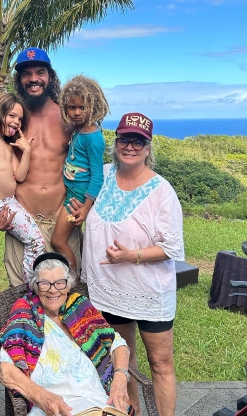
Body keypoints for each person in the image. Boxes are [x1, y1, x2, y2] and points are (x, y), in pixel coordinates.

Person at [81, 112, 185, 416]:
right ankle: (132, 413)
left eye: (138, 141)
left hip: (149, 293)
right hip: (109, 290)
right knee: (123, 362)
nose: (130, 146)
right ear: (116, 143)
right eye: (125, 139)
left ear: (148, 147)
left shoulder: (162, 192)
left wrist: (132, 256)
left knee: (161, 364)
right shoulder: (102, 176)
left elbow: (171, 247)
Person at [0, 47, 82, 285]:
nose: (33, 79)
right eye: (26, 74)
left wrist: (87, 203)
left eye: (40, 72)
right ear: (19, 80)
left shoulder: (69, 115)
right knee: (21, 296)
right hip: (22, 222)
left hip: (63, 222)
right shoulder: (11, 119)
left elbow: (89, 160)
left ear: (50, 76)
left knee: (67, 295)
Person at [0, 253, 134, 416]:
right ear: (35, 285)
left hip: (100, 403)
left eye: (60, 283)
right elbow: (6, 369)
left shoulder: (80, 308)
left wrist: (120, 377)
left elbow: (117, 344)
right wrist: (44, 398)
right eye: (45, 284)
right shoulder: (25, 314)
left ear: (68, 285)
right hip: (55, 409)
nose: (53, 290)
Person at [0, 93, 45, 283]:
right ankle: (29, 290)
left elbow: (20, 175)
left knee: (36, 241)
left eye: (20, 119)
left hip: (10, 202)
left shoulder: (7, 147)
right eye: (12, 115)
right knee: (36, 243)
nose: (17, 122)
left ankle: (29, 286)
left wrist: (27, 151)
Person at [50, 75, 109, 271]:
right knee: (81, 240)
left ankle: (72, 280)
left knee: (58, 241)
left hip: (77, 199)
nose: (76, 112)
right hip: (72, 194)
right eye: (71, 107)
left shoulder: (93, 138)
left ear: (93, 107)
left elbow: (97, 175)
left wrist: (85, 207)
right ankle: (86, 274)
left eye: (82, 107)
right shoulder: (79, 130)